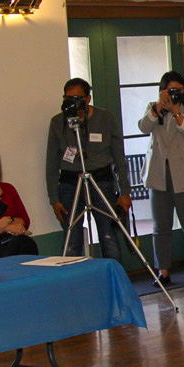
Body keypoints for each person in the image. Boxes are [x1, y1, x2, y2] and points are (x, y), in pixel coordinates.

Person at [46, 78, 130, 261]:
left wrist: (125, 191)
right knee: (72, 237)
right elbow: (51, 163)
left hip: (101, 181)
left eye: (78, 97)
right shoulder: (58, 122)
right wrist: (54, 198)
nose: (73, 102)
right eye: (68, 98)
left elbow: (119, 157)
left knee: (108, 234)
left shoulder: (106, 119)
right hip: (69, 183)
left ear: (88, 98)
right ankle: (72, 283)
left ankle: (113, 278)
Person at [140, 71, 184, 287]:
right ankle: (163, 271)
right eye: (170, 90)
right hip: (160, 174)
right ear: (162, 91)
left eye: (178, 90)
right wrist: (158, 108)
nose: (175, 94)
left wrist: (178, 114)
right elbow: (143, 127)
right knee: (160, 226)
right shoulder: (154, 108)